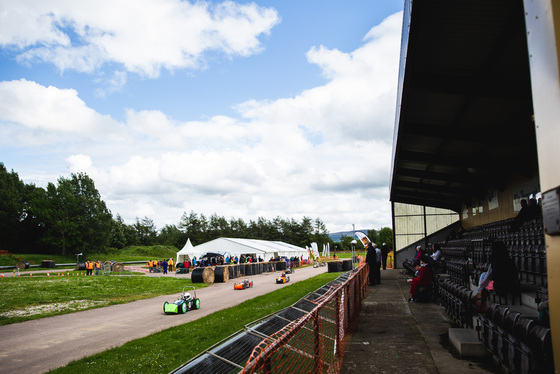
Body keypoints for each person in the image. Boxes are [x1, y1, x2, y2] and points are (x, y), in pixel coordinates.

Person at [472, 241, 518, 312]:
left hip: (504, 284)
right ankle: (481, 300)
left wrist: (490, 278)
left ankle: (481, 300)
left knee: (486, 284)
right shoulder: (508, 258)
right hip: (509, 282)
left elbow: (494, 276)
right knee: (485, 277)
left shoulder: (497, 260)